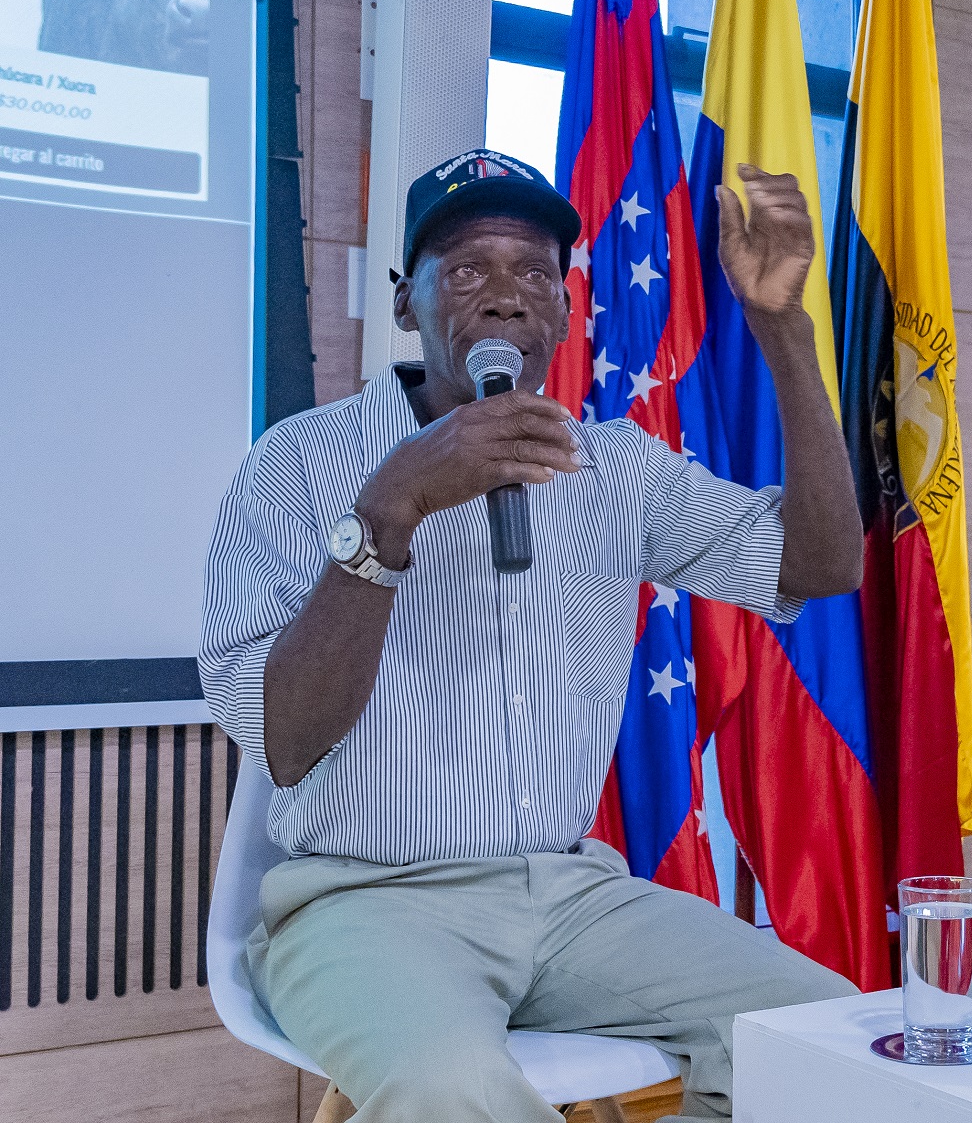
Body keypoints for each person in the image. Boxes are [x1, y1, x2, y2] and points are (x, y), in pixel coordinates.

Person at [199, 148, 862, 1123]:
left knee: (824, 1042)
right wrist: (393, 505)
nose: (505, 295)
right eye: (467, 269)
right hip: (367, 901)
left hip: (572, 894)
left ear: (563, 311)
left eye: (535, 273)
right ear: (404, 301)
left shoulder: (618, 469)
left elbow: (821, 565)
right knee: (451, 1091)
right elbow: (287, 736)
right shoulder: (296, 464)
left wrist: (785, 332)